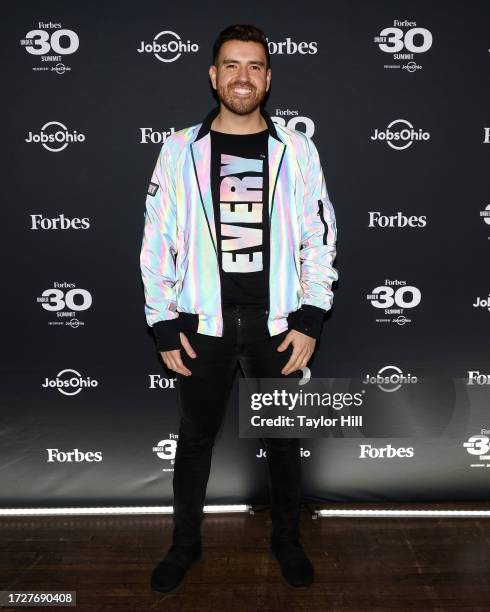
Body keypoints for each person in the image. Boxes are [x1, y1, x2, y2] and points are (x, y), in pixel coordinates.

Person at [140, 23, 338, 593]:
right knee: (195, 438)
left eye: (254, 66)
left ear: (269, 78)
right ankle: (185, 547)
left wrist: (310, 316)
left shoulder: (297, 149)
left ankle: (288, 543)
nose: (243, 77)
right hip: (203, 325)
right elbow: (158, 239)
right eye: (231, 65)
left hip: (276, 325)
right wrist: (162, 321)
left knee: (282, 440)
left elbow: (319, 236)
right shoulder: (180, 149)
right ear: (213, 75)